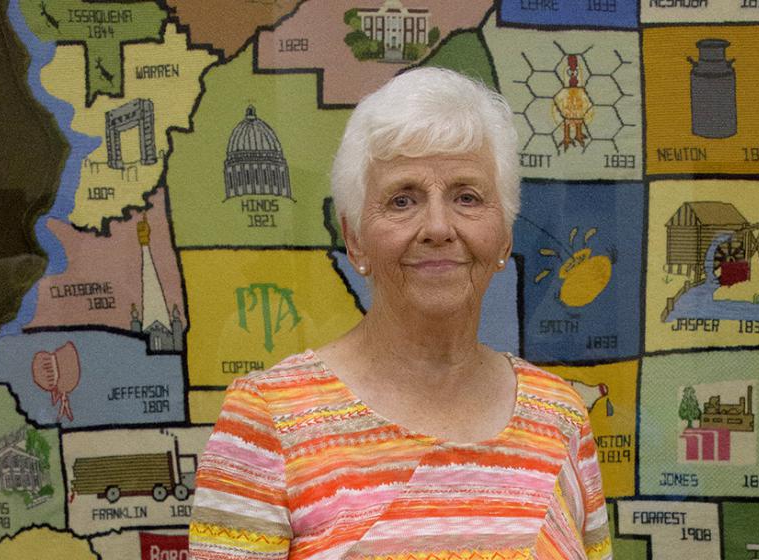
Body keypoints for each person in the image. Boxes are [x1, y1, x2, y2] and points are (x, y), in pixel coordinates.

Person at [188, 67, 612, 560]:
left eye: (467, 197)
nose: (437, 226)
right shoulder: (269, 421)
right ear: (353, 239)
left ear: (505, 237)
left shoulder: (561, 419)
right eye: (402, 199)